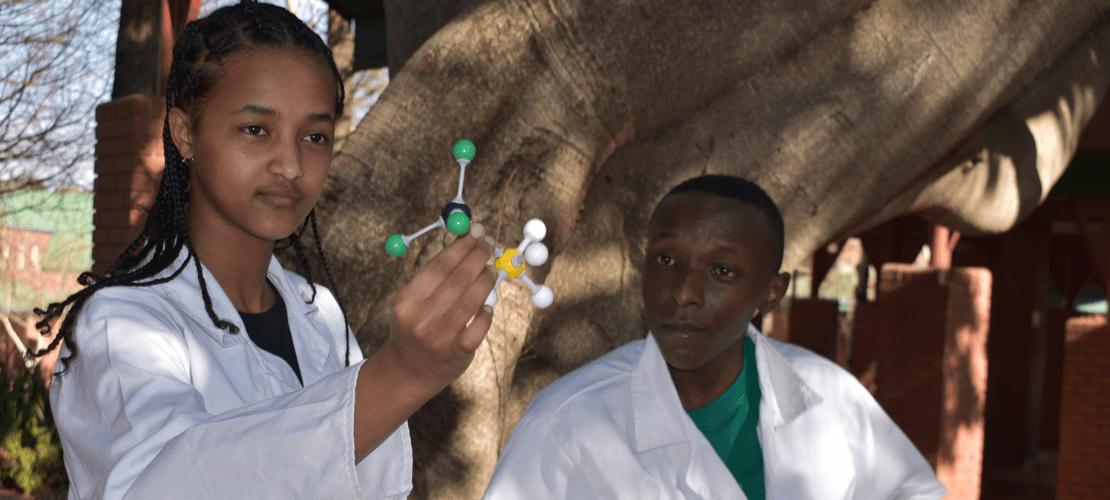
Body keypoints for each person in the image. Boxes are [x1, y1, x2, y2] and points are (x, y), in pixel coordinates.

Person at [32, 2, 497, 499]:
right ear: (185, 133)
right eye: (256, 130)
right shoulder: (123, 320)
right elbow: (165, 485)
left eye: (314, 136)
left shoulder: (319, 314)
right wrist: (399, 375)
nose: (292, 165)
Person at [482, 175, 947, 499]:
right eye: (666, 260)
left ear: (771, 292)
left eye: (721, 271)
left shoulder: (829, 396)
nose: (684, 293)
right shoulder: (566, 422)